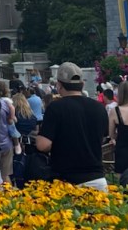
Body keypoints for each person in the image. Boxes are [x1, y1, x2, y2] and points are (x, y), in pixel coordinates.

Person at [35, 62, 110, 192]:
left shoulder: (55, 108)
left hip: (67, 181)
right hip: (97, 179)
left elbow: (43, 145)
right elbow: (103, 136)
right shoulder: (99, 107)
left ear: (59, 85)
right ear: (82, 84)